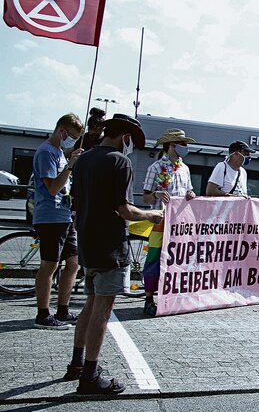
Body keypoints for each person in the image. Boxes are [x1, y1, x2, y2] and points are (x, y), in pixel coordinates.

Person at [67, 114, 164, 394]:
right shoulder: (120, 161)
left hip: (86, 241)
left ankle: (76, 363)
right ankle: (90, 375)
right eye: (131, 141)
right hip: (110, 244)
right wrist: (151, 215)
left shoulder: (83, 159)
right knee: (103, 310)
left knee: (90, 303)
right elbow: (124, 209)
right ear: (125, 138)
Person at [31, 113, 84, 329]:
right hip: (50, 216)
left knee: (73, 263)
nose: (72, 141)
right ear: (62, 131)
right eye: (72, 136)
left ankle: (63, 309)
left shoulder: (60, 153)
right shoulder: (47, 153)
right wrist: (70, 166)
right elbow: (53, 188)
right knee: (49, 265)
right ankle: (43, 314)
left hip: (63, 215)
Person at [140, 128, 197, 317]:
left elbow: (189, 191)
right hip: (160, 221)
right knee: (154, 258)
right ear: (171, 146)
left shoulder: (185, 169)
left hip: (180, 224)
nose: (185, 147)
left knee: (178, 259)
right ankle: (149, 298)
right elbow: (146, 198)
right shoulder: (155, 168)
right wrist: (156, 194)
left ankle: (173, 296)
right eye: (182, 144)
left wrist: (191, 194)